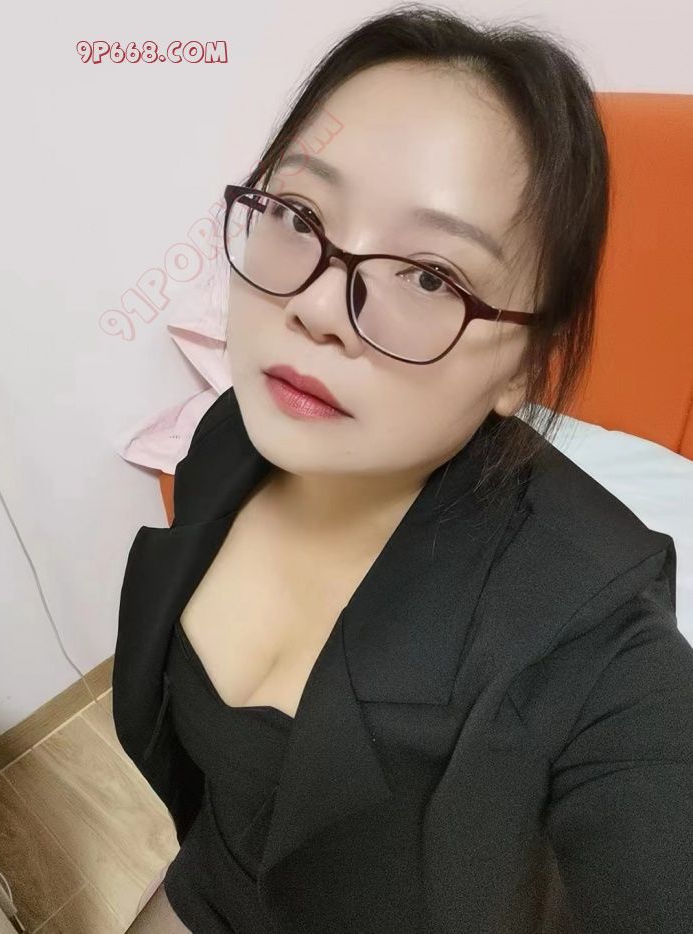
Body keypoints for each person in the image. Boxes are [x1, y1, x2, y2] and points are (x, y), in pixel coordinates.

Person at [116, 4, 693, 932]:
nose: (316, 308)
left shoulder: (598, 650)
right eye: (299, 214)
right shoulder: (233, 437)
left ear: (527, 366)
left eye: (431, 277)